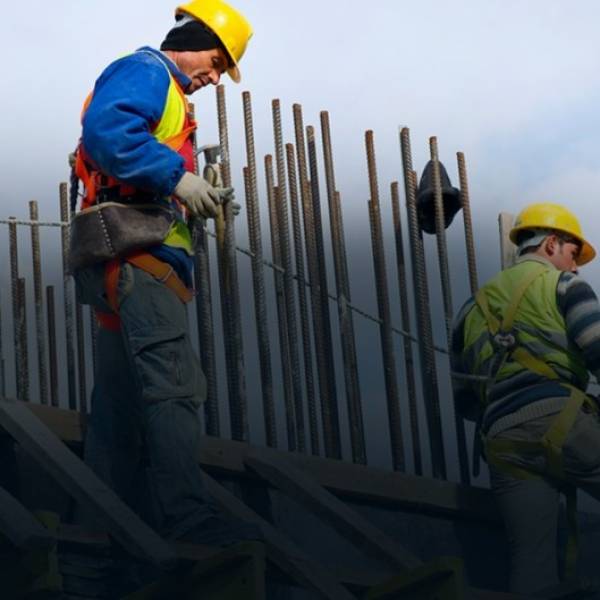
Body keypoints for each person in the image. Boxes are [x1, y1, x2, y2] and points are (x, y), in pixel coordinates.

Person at [70, 0, 258, 550]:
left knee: (118, 407)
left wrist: (196, 197)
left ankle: (103, 528)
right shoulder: (149, 71)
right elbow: (109, 132)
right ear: (196, 38)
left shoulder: (168, 95)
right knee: (175, 387)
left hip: (124, 262)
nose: (215, 77)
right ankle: (188, 519)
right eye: (217, 63)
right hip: (139, 261)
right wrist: (178, 179)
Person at [451, 202, 600, 595]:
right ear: (551, 244)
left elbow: (465, 401)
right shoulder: (563, 285)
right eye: (572, 253)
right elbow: (597, 348)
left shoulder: (470, 310)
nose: (575, 266)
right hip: (560, 419)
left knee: (531, 565)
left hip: (502, 442)